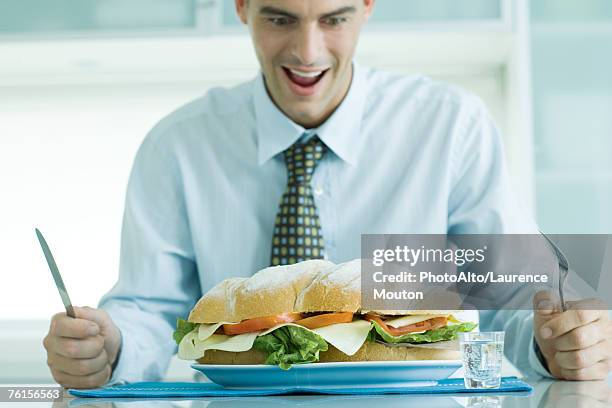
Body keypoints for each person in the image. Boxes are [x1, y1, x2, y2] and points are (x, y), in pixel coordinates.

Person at [43, 0, 612, 388]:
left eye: (333, 18)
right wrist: (108, 348)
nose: (308, 52)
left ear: (367, 6)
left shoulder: (449, 127)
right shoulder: (179, 145)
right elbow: (151, 308)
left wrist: (555, 344)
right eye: (280, 18)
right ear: (241, 6)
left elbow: (505, 302)